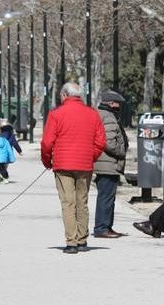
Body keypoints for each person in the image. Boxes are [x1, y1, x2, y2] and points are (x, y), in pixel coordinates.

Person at [40, 82, 106, 254]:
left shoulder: (56, 114)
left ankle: (71, 242)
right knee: (81, 202)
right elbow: (101, 142)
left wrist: (47, 161)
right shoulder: (92, 114)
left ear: (63, 95)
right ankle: (83, 240)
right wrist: (91, 156)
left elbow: (47, 142)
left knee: (68, 203)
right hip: (84, 165)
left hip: (63, 165)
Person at [92, 91, 129, 239]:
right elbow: (108, 142)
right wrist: (122, 152)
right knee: (106, 197)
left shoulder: (102, 114)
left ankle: (107, 226)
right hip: (107, 162)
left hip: (106, 162)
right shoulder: (107, 116)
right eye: (117, 103)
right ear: (111, 103)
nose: (119, 106)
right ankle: (101, 228)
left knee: (108, 197)